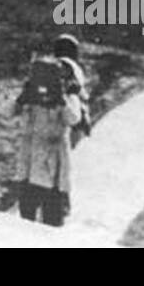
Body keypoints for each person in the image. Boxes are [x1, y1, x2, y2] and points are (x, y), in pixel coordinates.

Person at [13, 36, 88, 227]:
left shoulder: (68, 92)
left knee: (51, 222)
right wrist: (24, 97)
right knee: (26, 220)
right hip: (31, 163)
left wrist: (62, 98)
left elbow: (74, 118)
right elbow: (12, 112)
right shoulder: (35, 91)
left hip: (52, 165)